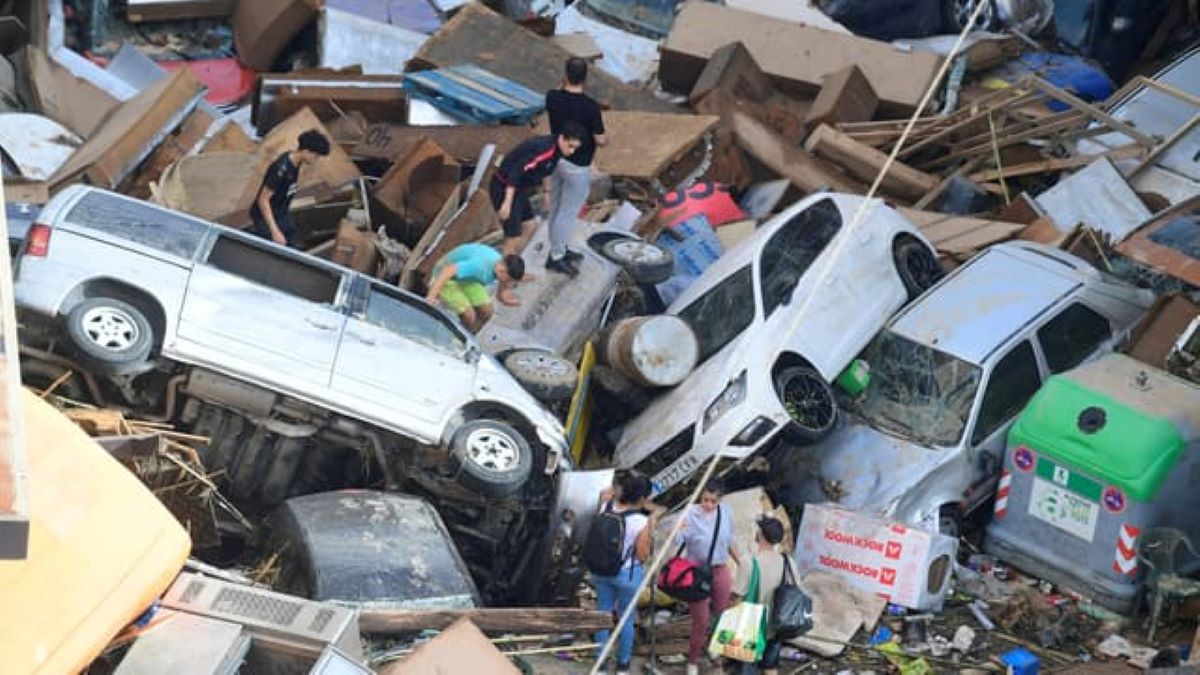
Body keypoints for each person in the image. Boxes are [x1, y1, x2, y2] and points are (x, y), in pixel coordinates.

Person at [487, 123, 586, 296]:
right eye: (570, 146)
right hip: (505, 187)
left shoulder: (556, 151)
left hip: (519, 189)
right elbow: (515, 174)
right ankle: (502, 287)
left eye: (574, 149)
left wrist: (546, 193)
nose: (571, 151)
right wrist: (507, 203)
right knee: (512, 237)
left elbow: (546, 171)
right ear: (561, 138)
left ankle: (514, 269)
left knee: (530, 226)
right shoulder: (544, 149)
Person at [544, 57, 607, 277]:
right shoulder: (590, 107)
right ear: (585, 78)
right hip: (577, 164)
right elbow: (600, 139)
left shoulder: (552, 97)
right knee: (568, 212)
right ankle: (557, 256)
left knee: (556, 207)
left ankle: (557, 247)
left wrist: (563, 84)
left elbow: (556, 91)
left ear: (565, 74)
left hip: (555, 158)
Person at [593, 472, 657, 675]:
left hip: (601, 571)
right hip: (626, 576)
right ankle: (622, 666)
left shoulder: (606, 507)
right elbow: (642, 554)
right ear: (642, 499)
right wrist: (651, 527)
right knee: (626, 619)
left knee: (602, 615)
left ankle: (601, 665)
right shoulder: (640, 521)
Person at [677, 479, 740, 675]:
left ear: (720, 500)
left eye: (713, 501)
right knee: (701, 620)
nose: (708, 505)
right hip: (696, 572)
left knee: (722, 613)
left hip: (720, 568)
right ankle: (693, 660)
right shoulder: (690, 513)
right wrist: (679, 529)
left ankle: (713, 646)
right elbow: (679, 540)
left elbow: (729, 541)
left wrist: (741, 563)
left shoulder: (726, 512)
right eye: (705, 499)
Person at [728, 515, 794, 675]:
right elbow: (794, 588)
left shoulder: (749, 562)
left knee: (746, 668)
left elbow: (737, 597)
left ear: (760, 535)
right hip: (777, 624)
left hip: (750, 628)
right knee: (770, 667)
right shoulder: (788, 562)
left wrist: (731, 626)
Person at [250, 129, 331, 247]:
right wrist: (275, 231)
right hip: (266, 216)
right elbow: (263, 200)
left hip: (281, 212)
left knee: (294, 237)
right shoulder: (280, 169)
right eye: (316, 155)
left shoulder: (295, 161)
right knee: (281, 245)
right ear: (306, 151)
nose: (316, 159)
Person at [425, 242, 525, 333]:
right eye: (507, 280)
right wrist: (431, 297)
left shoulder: (501, 266)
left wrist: (501, 296)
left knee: (487, 312)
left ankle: (470, 335)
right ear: (502, 270)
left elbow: (503, 282)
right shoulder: (478, 266)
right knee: (469, 317)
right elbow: (447, 271)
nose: (508, 284)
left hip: (469, 279)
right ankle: (454, 339)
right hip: (446, 278)